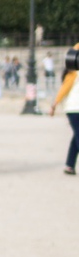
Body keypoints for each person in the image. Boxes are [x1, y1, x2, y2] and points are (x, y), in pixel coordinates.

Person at [49, 42, 79, 175]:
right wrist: (54, 104)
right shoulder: (73, 74)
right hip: (74, 109)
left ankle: (69, 165)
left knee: (76, 137)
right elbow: (64, 90)